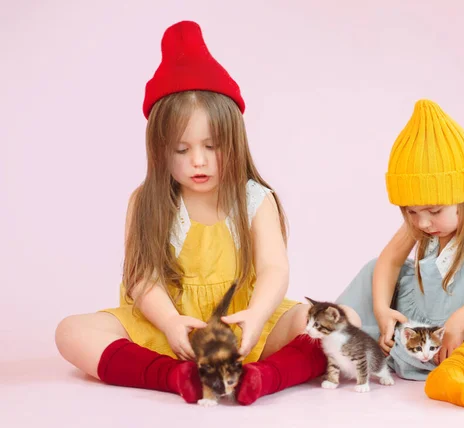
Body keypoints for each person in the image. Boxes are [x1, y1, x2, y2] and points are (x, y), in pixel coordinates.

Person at [54, 20, 359, 406]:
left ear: (234, 140)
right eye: (181, 150)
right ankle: (175, 376)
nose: (198, 161)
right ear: (159, 150)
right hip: (169, 329)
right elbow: (143, 278)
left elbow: (273, 269)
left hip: (245, 323)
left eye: (211, 146)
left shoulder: (253, 199)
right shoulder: (147, 201)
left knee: (345, 319)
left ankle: (263, 377)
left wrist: (255, 316)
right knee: (71, 332)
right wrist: (169, 323)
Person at [335, 99, 464, 409]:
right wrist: (382, 310)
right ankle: (321, 348)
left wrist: (458, 324)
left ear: (463, 196)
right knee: (374, 267)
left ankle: (453, 372)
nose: (423, 222)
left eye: (434, 210)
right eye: (412, 212)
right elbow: (389, 260)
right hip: (421, 340)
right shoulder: (423, 224)